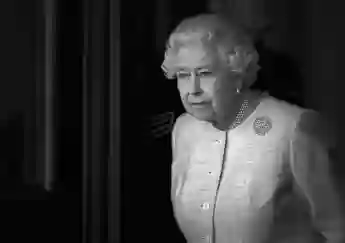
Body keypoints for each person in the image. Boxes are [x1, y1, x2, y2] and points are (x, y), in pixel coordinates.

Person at [161, 13, 344, 243]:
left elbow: (337, 229)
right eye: (183, 75)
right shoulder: (184, 129)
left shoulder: (294, 128)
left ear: (237, 72)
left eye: (205, 73)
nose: (193, 89)